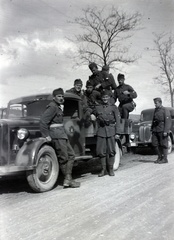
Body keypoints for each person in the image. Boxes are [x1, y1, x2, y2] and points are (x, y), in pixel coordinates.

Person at [40, 88, 80, 188]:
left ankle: (68, 179)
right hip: (56, 135)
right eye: (59, 96)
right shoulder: (52, 107)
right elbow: (43, 121)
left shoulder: (58, 107)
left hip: (62, 134)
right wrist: (46, 135)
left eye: (62, 96)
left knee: (71, 155)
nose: (61, 98)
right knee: (64, 158)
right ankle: (68, 180)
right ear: (54, 97)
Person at [93, 89, 121, 177]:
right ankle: (103, 169)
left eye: (106, 97)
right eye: (103, 97)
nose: (105, 99)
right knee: (101, 151)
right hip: (101, 131)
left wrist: (117, 133)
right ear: (101, 98)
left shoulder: (113, 107)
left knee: (111, 151)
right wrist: (91, 115)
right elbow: (91, 112)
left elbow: (118, 120)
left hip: (111, 131)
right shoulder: (98, 107)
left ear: (109, 98)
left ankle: (111, 169)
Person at [151, 97, 171, 164]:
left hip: (162, 129)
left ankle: (165, 159)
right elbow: (153, 120)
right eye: (154, 103)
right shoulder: (156, 110)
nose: (155, 105)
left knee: (163, 144)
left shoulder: (165, 110)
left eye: (156, 103)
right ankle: (160, 157)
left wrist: (166, 130)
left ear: (160, 103)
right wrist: (152, 128)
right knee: (154, 143)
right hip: (155, 129)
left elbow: (168, 121)